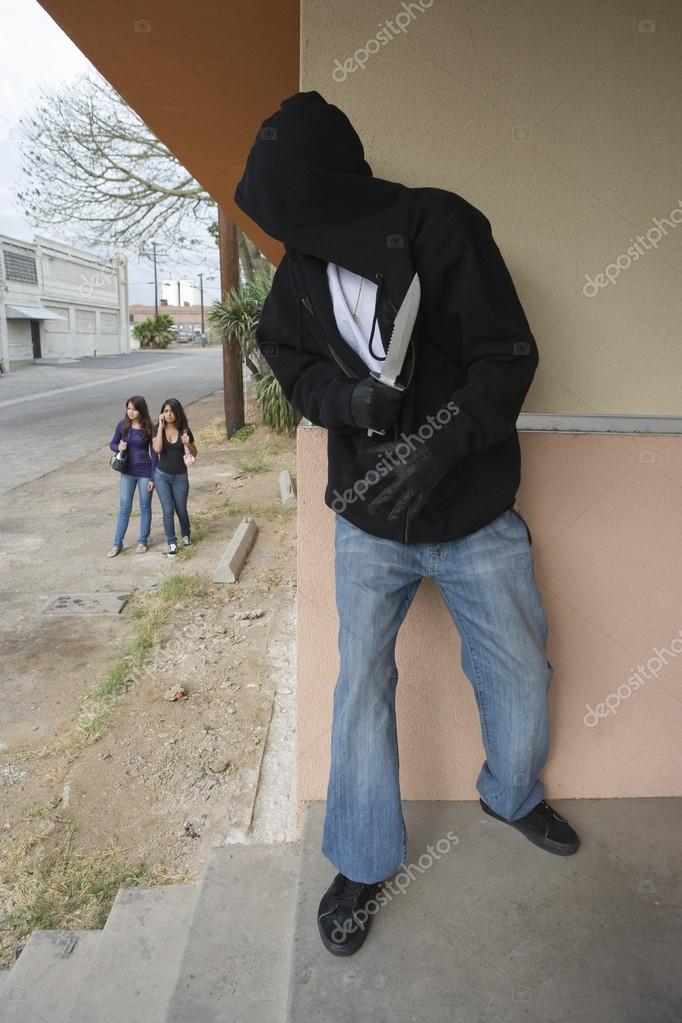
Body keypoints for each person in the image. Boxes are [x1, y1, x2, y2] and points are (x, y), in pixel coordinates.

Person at [235, 91, 582, 957]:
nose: (287, 231)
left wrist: (439, 447)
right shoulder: (298, 274)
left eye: (291, 205)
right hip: (367, 520)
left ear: (324, 181)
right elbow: (290, 360)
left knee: (518, 672)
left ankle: (513, 793)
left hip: (471, 511)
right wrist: (346, 398)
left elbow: (510, 357)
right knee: (360, 688)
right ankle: (361, 859)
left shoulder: (441, 228)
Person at [108, 396, 157, 556]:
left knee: (145, 507)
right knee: (124, 508)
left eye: (134, 409)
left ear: (141, 410)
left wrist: (153, 477)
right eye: (128, 408)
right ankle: (117, 544)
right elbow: (112, 444)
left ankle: (142, 541)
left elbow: (154, 453)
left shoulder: (148, 427)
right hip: (127, 472)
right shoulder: (122, 426)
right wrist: (119, 446)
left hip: (144, 472)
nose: (131, 412)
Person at [151, 397, 197, 556]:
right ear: (162, 414)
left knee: (181, 509)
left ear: (177, 413)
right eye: (166, 411)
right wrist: (160, 427)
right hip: (161, 475)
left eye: (171, 411)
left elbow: (195, 453)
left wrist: (187, 443)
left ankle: (186, 534)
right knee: (167, 510)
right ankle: (171, 542)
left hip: (180, 477)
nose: (168, 414)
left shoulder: (185, 430)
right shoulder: (157, 429)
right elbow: (157, 449)